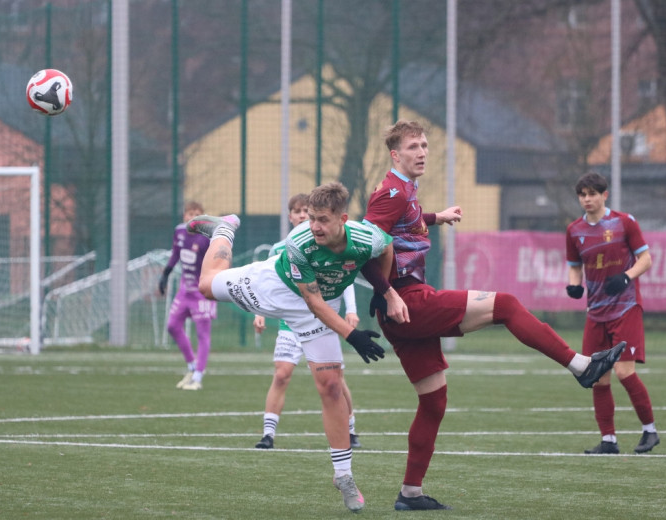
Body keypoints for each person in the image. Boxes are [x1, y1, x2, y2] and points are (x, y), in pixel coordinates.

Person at [362, 119, 626, 511]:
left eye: (424, 145)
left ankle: (410, 494)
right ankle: (581, 366)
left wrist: (437, 217)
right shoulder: (391, 193)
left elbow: (403, 224)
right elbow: (363, 250)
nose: (422, 152)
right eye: (414, 147)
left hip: (401, 305)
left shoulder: (405, 191)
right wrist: (387, 293)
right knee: (505, 305)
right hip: (406, 302)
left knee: (433, 403)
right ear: (395, 154)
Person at [187, 182, 408, 513]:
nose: (314, 226)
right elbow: (314, 302)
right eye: (311, 218)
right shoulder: (299, 241)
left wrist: (386, 291)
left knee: (331, 385)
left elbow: (386, 247)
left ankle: (344, 475)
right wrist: (352, 335)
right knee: (205, 285)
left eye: (322, 220)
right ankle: (223, 229)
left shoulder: (365, 237)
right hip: (273, 288)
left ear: (343, 219)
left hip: (314, 308)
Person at [253, 193, 363, 450]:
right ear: (290, 216)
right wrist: (259, 312)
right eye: (298, 211)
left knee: (336, 379)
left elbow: (343, 278)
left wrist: (352, 310)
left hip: (323, 320)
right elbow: (267, 284)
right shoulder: (281, 248)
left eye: (307, 211)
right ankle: (268, 434)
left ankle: (351, 429)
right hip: (290, 322)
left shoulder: (330, 243)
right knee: (281, 374)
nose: (303, 215)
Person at [566, 171, 660, 455]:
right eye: (583, 195)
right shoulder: (574, 231)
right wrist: (574, 286)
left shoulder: (624, 222)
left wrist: (627, 277)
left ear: (604, 195)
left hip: (626, 307)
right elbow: (574, 266)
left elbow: (646, 258)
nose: (587, 199)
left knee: (623, 371)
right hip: (596, 312)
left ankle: (649, 431)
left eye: (592, 194)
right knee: (597, 377)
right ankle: (608, 440)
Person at [158, 201, 217, 391]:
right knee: (172, 326)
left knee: (202, 334)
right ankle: (191, 367)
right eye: (189, 214)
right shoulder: (179, 232)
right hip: (185, 291)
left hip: (202, 293)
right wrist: (165, 275)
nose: (193, 218)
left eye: (197, 214)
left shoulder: (208, 237)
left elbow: (217, 261)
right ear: (184, 216)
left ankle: (198, 377)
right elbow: (175, 254)